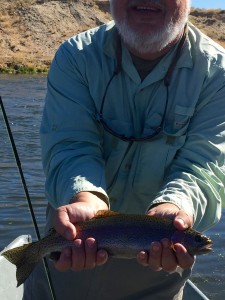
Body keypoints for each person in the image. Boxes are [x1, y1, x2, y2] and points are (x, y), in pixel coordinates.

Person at [23, 0, 225, 299]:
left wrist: (177, 206)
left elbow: (205, 166)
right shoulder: (76, 56)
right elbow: (70, 145)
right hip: (68, 254)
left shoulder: (217, 72)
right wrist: (86, 197)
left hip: (157, 278)